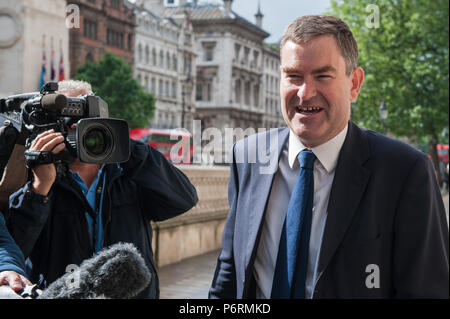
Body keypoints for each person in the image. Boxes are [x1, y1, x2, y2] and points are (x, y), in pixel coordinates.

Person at [209, 15, 449, 299]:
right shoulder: (248, 156)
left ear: (354, 84)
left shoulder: (405, 171)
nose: (305, 93)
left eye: (322, 76)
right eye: (294, 76)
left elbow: (426, 290)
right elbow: (230, 271)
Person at [5, 80, 198, 298]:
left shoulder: (127, 172)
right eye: (70, 121)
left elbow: (184, 200)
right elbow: (14, 249)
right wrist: (40, 187)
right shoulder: (33, 173)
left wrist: (124, 146)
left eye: (90, 121)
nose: (81, 130)